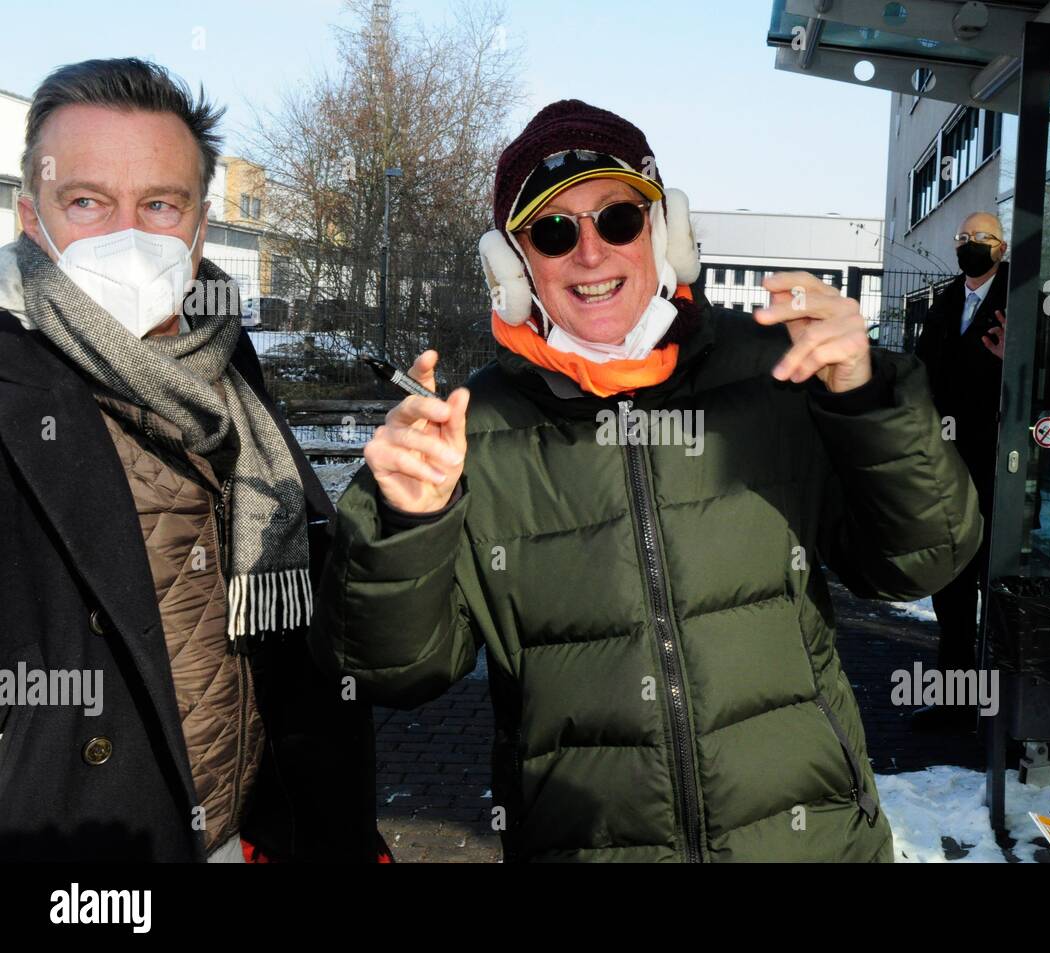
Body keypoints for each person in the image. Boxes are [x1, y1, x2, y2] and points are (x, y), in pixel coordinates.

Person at [311, 100, 983, 862]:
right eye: (555, 232)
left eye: (619, 219)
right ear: (513, 267)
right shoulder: (471, 432)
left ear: (667, 232)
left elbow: (923, 559)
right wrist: (404, 525)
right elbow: (390, 671)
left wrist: (868, 400)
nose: (591, 254)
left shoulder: (778, 373)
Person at [0, 58, 386, 862]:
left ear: (200, 227)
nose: (130, 237)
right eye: (87, 202)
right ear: (33, 221)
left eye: (159, 205)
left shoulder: (225, 368)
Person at [911, 212, 1008, 732]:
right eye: (964, 239)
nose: (971, 246)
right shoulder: (945, 302)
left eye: (982, 239)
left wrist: (1013, 360)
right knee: (950, 589)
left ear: (1002, 247)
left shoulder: (1026, 301)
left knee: (994, 589)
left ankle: (996, 709)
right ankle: (954, 704)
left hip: (999, 470)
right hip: (945, 470)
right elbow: (921, 372)